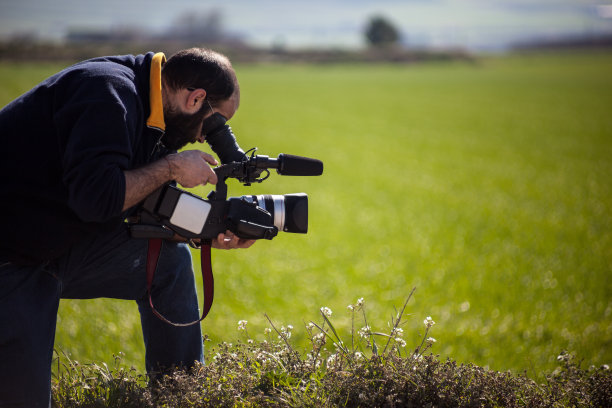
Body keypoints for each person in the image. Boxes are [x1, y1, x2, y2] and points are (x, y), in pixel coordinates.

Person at [0, 48, 255, 407]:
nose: (203, 138)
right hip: (11, 257)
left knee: (170, 263)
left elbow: (139, 202)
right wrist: (170, 168)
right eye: (213, 125)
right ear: (195, 98)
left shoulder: (149, 106)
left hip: (52, 247)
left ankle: (180, 398)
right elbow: (98, 199)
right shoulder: (106, 91)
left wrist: (209, 230)